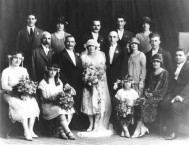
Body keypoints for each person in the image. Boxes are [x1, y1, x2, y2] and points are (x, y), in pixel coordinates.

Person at [1, 51, 40, 141]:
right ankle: (26, 131)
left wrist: (26, 92)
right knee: (22, 106)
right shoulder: (6, 71)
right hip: (10, 94)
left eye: (19, 58)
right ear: (11, 59)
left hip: (23, 94)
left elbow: (27, 83)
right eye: (15, 58)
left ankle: (31, 130)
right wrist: (17, 92)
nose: (18, 60)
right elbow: (4, 86)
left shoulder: (24, 70)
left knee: (33, 103)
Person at [78, 39, 112, 138]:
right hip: (88, 84)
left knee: (97, 103)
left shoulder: (101, 56)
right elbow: (83, 70)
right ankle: (91, 123)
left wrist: (96, 78)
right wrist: (87, 78)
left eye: (93, 46)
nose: (91, 48)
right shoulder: (84, 57)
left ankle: (97, 124)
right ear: (87, 47)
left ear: (96, 47)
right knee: (88, 103)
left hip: (98, 84)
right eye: (89, 46)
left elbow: (102, 70)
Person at [132, 54, 169, 138]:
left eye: (157, 61)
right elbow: (150, 86)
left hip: (159, 96)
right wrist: (146, 92)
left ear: (160, 62)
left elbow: (164, 88)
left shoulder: (164, 73)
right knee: (138, 101)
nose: (155, 63)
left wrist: (153, 94)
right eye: (154, 62)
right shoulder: (152, 73)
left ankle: (138, 128)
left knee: (145, 103)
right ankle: (143, 126)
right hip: (151, 95)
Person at [54, 35, 86, 130]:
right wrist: (65, 83)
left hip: (78, 83)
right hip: (67, 83)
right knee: (67, 103)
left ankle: (75, 124)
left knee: (77, 103)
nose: (70, 44)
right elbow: (59, 71)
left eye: (72, 42)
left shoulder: (77, 55)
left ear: (75, 43)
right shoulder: (59, 55)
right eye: (68, 41)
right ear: (64, 42)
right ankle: (65, 125)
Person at [38, 64, 76, 140]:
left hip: (57, 103)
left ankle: (61, 131)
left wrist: (64, 99)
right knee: (60, 111)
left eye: (54, 70)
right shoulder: (43, 82)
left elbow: (61, 93)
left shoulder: (58, 81)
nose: (52, 72)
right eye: (51, 70)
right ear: (47, 71)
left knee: (70, 109)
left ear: (57, 71)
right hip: (47, 105)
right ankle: (68, 132)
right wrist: (55, 99)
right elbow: (44, 98)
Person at [161, 48, 189, 140]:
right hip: (175, 93)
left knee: (175, 107)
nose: (177, 57)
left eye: (180, 55)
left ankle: (174, 132)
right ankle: (166, 127)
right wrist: (170, 95)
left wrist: (180, 96)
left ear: (186, 56)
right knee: (164, 103)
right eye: (176, 55)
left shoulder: (188, 66)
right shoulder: (175, 66)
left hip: (186, 95)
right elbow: (173, 83)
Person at [104, 31, 124, 133]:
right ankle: (109, 123)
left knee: (116, 101)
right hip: (106, 78)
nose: (112, 39)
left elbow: (123, 66)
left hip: (117, 79)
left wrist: (119, 80)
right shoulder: (105, 48)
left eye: (114, 37)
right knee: (108, 100)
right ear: (108, 38)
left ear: (117, 38)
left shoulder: (122, 50)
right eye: (110, 37)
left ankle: (118, 125)